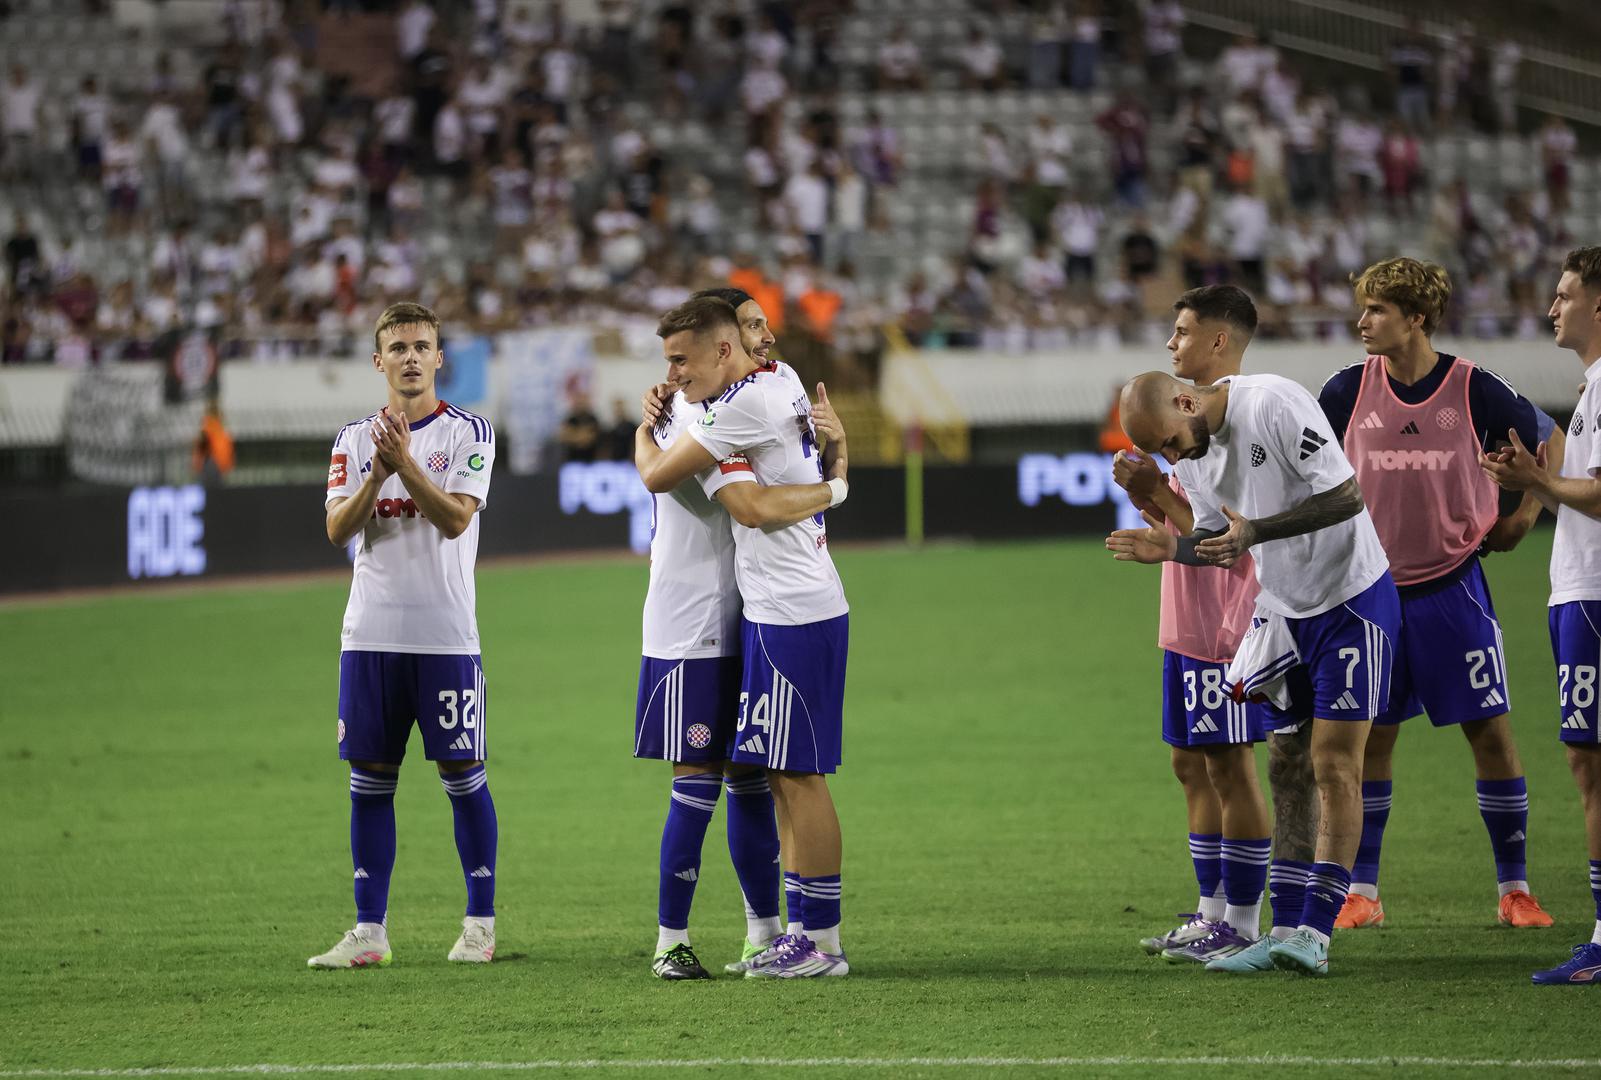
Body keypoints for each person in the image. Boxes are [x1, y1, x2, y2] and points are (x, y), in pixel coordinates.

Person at [1107, 364, 1401, 977]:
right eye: (1159, 451)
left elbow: (1346, 496)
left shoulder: (1273, 402)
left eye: (1168, 441)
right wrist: (1173, 547)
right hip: (1283, 610)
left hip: (1349, 599)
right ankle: (1284, 929)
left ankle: (1317, 932)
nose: (1171, 456)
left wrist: (1257, 532)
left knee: (1334, 763)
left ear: (1187, 402)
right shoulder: (1192, 456)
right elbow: (1215, 540)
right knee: (1286, 766)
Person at [1318, 257, 1557, 931]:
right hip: (1368, 596)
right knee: (1371, 740)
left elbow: (1549, 438)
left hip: (1453, 590)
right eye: (1363, 308)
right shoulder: (1345, 391)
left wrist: (1522, 516)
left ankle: (1514, 889)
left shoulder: (1474, 388)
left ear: (1416, 318)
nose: (1362, 321)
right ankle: (1362, 892)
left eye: (1376, 310)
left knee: (1490, 733)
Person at [635, 296, 852, 977]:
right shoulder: (768, 386)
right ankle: (787, 933)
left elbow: (745, 506)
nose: (768, 338)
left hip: (790, 609)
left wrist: (837, 485)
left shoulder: (738, 405)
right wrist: (834, 461)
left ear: (720, 349)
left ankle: (817, 941)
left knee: (796, 776)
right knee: (773, 778)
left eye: (681, 360)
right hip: (755, 612)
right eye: (754, 324)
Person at [310, 302, 498, 968]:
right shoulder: (352, 440)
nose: (411, 357)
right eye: (398, 348)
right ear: (379, 361)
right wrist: (378, 473)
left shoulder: (469, 431)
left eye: (422, 346)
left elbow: (455, 519)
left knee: (463, 774)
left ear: (439, 358)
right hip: (370, 635)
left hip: (445, 636)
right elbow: (337, 529)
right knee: (369, 779)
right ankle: (370, 931)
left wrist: (406, 466)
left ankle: (480, 925)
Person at [1113, 286, 1273, 966]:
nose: (1171, 343)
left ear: (1217, 339)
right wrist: (1147, 493)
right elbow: (1181, 525)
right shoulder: (1194, 433)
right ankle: (1211, 911)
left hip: (1225, 623)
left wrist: (1154, 491)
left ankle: (1242, 919)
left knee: (1229, 766)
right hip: (1185, 617)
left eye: (1181, 332)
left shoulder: (1232, 430)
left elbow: (1221, 540)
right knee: (1191, 764)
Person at [1482, 246, 1601, 984]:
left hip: (1595, 597)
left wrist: (1538, 481)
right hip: (1578, 592)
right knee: (1587, 762)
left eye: (1564, 295)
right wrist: (1535, 481)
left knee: (1592, 764)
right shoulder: (1591, 387)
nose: (1552, 307)